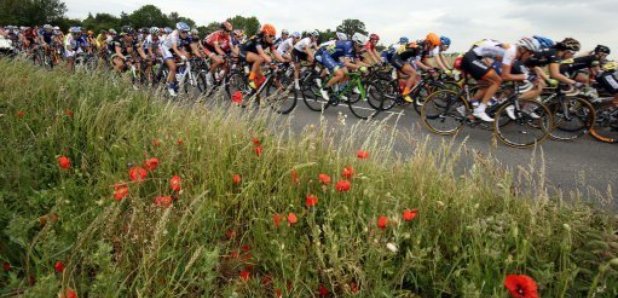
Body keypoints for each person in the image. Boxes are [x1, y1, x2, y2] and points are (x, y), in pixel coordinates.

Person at [460, 37, 539, 121]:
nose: (531, 56)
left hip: (475, 58)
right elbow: (505, 76)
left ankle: (468, 107)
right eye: (530, 53)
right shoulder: (511, 52)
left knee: (486, 85)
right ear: (523, 50)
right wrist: (526, 76)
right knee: (497, 81)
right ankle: (480, 110)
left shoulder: (512, 53)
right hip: (473, 57)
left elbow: (504, 70)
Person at [382, 33, 441, 103]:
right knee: (413, 73)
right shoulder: (420, 47)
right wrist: (427, 69)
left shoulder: (425, 48)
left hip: (403, 59)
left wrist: (432, 67)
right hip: (397, 58)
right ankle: (405, 93)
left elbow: (424, 60)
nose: (434, 48)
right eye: (434, 46)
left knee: (413, 78)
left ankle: (402, 92)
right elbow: (417, 62)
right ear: (429, 42)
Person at [314, 32, 369, 100]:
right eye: (360, 46)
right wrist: (359, 67)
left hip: (335, 57)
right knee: (340, 74)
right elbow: (346, 63)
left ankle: (339, 92)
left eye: (362, 46)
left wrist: (367, 67)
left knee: (347, 74)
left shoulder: (355, 48)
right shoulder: (348, 46)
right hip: (327, 55)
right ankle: (324, 89)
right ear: (355, 43)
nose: (361, 48)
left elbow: (357, 62)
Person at [160, 22, 203, 96]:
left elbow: (193, 48)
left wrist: (200, 56)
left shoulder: (188, 36)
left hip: (177, 47)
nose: (185, 34)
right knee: (173, 67)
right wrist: (181, 56)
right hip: (166, 48)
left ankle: (179, 74)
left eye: (186, 32)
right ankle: (169, 86)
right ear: (178, 30)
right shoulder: (174, 35)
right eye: (183, 32)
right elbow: (174, 48)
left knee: (187, 55)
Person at [240, 24, 285, 90]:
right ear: (265, 35)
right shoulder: (257, 38)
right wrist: (271, 62)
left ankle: (253, 91)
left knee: (262, 79)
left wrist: (284, 61)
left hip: (253, 56)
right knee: (260, 58)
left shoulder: (269, 42)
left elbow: (275, 52)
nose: (272, 38)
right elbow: (261, 53)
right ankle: (250, 79)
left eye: (273, 36)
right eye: (270, 36)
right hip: (243, 52)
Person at [203, 21, 233, 86]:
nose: (229, 33)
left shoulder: (228, 36)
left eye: (230, 31)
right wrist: (225, 55)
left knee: (226, 62)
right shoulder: (216, 34)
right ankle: (208, 75)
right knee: (218, 60)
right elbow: (216, 48)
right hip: (207, 46)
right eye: (227, 31)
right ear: (222, 30)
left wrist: (239, 54)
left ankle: (219, 76)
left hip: (215, 47)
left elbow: (232, 48)